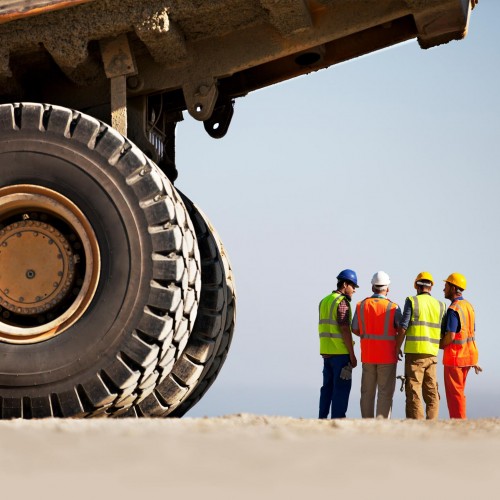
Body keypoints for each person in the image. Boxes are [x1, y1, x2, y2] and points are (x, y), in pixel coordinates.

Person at [395, 272, 446, 419]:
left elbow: (403, 326)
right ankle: (432, 422)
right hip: (432, 354)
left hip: (415, 353)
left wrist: (397, 346)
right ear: (431, 287)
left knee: (414, 390)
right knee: (431, 391)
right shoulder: (440, 305)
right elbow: (443, 331)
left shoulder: (412, 301)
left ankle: (418, 423)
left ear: (417, 286)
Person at [352, 271, 401, 418]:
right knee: (385, 393)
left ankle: (367, 422)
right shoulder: (393, 307)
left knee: (367, 392)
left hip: (368, 355)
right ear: (387, 288)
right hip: (387, 356)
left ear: (373, 287)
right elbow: (401, 328)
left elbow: (354, 328)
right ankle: (381, 422)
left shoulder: (361, 305)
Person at [318, 269, 358, 418]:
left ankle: (322, 418)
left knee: (326, 389)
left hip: (326, 353)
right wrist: (352, 355)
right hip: (340, 354)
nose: (354, 290)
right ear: (345, 284)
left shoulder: (325, 301)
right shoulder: (342, 303)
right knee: (341, 389)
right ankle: (338, 419)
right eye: (353, 286)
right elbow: (344, 329)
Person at [441, 273, 479, 419]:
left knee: (454, 394)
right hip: (468, 356)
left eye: (446, 286)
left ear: (453, 287)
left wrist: (439, 344)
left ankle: (459, 421)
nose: (444, 289)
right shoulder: (468, 306)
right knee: (460, 391)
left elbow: (450, 336)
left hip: (455, 358)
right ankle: (460, 419)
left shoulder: (454, 309)